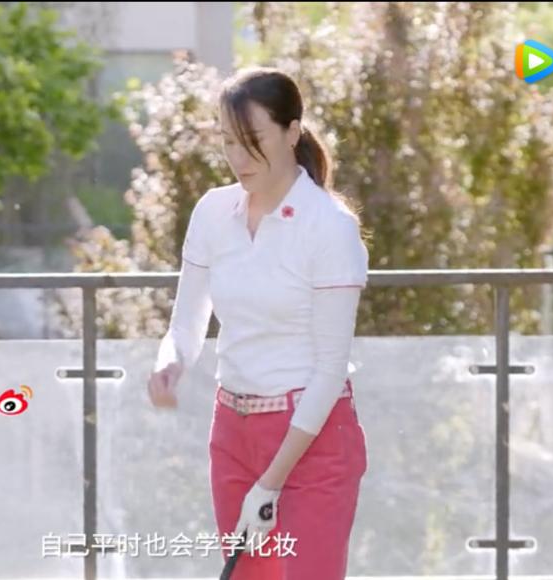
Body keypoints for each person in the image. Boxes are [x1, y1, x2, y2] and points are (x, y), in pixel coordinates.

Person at [147, 66, 369, 580]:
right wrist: (170, 366)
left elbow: (330, 370)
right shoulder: (212, 212)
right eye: (229, 142)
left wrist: (271, 481)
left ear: (292, 133)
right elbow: (185, 325)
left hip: (312, 441)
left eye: (253, 141)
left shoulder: (329, 227)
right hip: (233, 433)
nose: (239, 157)